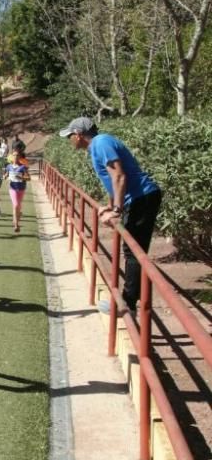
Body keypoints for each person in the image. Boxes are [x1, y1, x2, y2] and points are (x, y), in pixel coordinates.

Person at [60, 117, 162, 314]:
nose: (69, 140)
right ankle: (134, 298)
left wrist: (116, 209)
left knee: (134, 251)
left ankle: (127, 304)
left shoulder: (102, 142)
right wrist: (109, 205)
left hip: (142, 197)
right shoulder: (98, 145)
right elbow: (111, 180)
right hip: (137, 198)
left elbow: (119, 176)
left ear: (79, 135)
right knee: (132, 249)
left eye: (70, 136)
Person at [5, 143, 31, 233]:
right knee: (15, 205)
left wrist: (21, 178)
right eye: (14, 155)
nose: (15, 157)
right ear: (12, 157)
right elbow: (6, 174)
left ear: (20, 157)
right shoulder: (9, 166)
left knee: (18, 206)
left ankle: (18, 215)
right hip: (12, 188)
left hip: (21, 188)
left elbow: (29, 178)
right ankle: (16, 225)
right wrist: (5, 176)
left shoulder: (23, 167)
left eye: (17, 155)